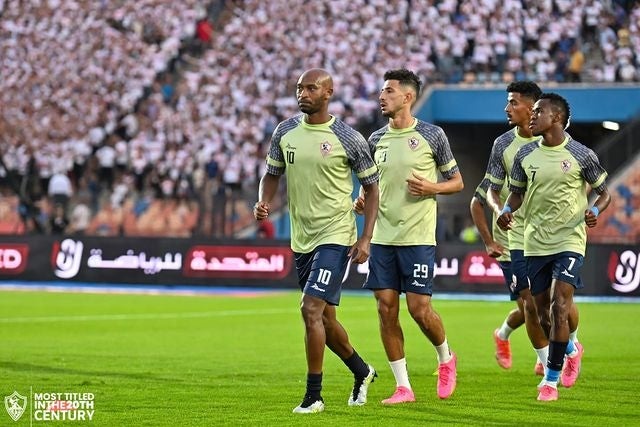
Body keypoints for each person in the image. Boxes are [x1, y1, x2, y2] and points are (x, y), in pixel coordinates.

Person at [253, 68, 380, 414]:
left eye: (311, 88)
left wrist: (365, 237)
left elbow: (371, 188)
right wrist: (263, 200)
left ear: (329, 93)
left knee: (309, 309)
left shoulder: (349, 137)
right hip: (302, 238)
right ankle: (362, 371)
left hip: (336, 235)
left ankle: (314, 395)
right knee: (325, 319)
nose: (303, 94)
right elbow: (272, 174)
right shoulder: (285, 131)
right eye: (299, 88)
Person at [355, 69, 462, 403]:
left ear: (407, 96)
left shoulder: (432, 135)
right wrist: (362, 199)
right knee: (386, 309)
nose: (381, 96)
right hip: (383, 237)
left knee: (419, 310)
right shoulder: (374, 140)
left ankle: (446, 358)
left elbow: (457, 181)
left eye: (388, 91)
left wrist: (432, 187)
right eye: (381, 91)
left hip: (417, 237)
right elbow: (371, 184)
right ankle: (403, 386)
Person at [497, 93, 611, 401]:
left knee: (561, 306)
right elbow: (516, 194)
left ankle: (550, 381)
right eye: (532, 112)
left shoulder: (580, 154)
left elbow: (604, 192)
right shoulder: (525, 156)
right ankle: (571, 349)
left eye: (539, 112)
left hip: (569, 240)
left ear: (556, 118)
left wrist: (595, 210)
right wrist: (507, 210)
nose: (532, 117)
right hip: (534, 242)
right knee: (543, 313)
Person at [471, 81, 548, 375]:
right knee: (530, 304)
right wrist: (490, 241)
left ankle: (502, 333)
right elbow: (478, 201)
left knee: (543, 306)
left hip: (544, 239)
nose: (507, 109)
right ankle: (547, 364)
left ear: (533, 107)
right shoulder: (503, 147)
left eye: (514, 103)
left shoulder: (553, 142)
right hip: (511, 243)